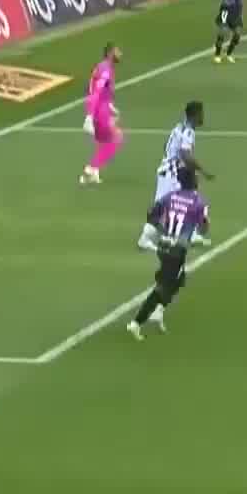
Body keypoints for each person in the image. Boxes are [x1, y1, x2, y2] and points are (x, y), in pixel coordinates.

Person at [126, 166, 210, 340]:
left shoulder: (170, 196)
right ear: (193, 181)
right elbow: (203, 229)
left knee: (178, 280)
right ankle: (136, 323)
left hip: (165, 243)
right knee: (163, 286)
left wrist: (163, 231)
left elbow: (151, 214)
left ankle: (158, 311)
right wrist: (202, 223)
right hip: (177, 250)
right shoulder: (198, 202)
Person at [80, 42, 122, 185]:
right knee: (116, 139)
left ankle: (93, 173)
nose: (120, 54)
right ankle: (91, 168)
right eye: (117, 51)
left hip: (101, 107)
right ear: (110, 53)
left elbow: (100, 90)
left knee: (104, 141)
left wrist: (110, 105)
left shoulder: (104, 67)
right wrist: (90, 116)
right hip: (98, 110)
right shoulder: (105, 69)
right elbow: (96, 92)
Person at [154, 100, 212, 203]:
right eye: (201, 114)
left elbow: (166, 146)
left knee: (160, 208)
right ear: (195, 115)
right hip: (172, 176)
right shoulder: (188, 132)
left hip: (165, 172)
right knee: (169, 208)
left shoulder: (179, 127)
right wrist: (202, 171)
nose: (202, 117)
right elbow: (185, 155)